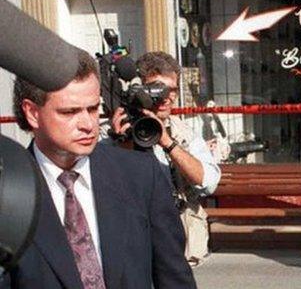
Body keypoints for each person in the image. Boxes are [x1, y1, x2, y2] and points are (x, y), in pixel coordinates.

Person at [5, 52, 196, 288]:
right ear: (32, 113)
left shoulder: (142, 175)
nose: (88, 124)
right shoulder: (8, 192)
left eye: (93, 109)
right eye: (70, 112)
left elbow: (174, 278)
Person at [111, 51, 221, 267]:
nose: (167, 97)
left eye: (172, 90)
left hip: (179, 245)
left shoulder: (183, 131)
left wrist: (168, 142)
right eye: (157, 89)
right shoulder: (115, 131)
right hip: (132, 246)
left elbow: (208, 182)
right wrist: (120, 143)